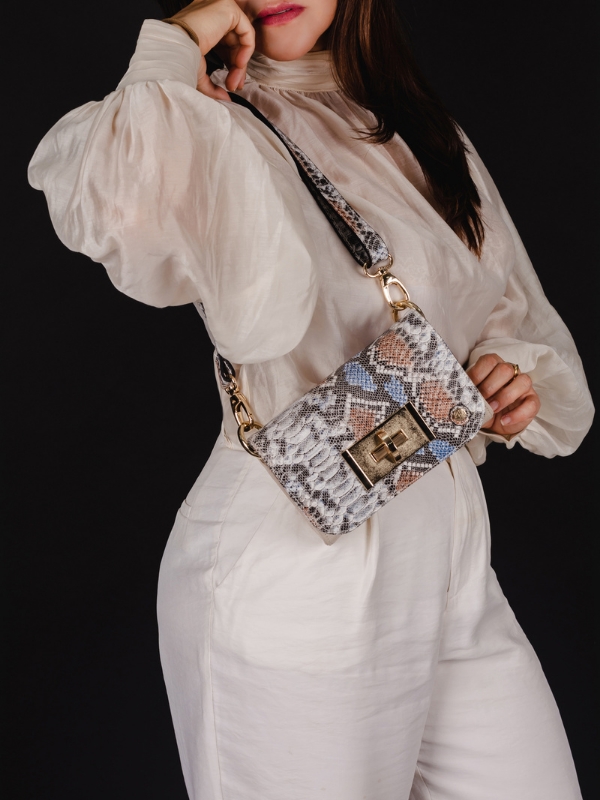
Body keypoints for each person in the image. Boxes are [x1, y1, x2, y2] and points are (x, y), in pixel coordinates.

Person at [28, 1, 594, 798]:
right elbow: (111, 197)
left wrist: (503, 377)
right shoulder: (206, 119)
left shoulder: (410, 127)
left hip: (452, 561)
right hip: (298, 568)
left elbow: (498, 303)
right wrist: (180, 42)